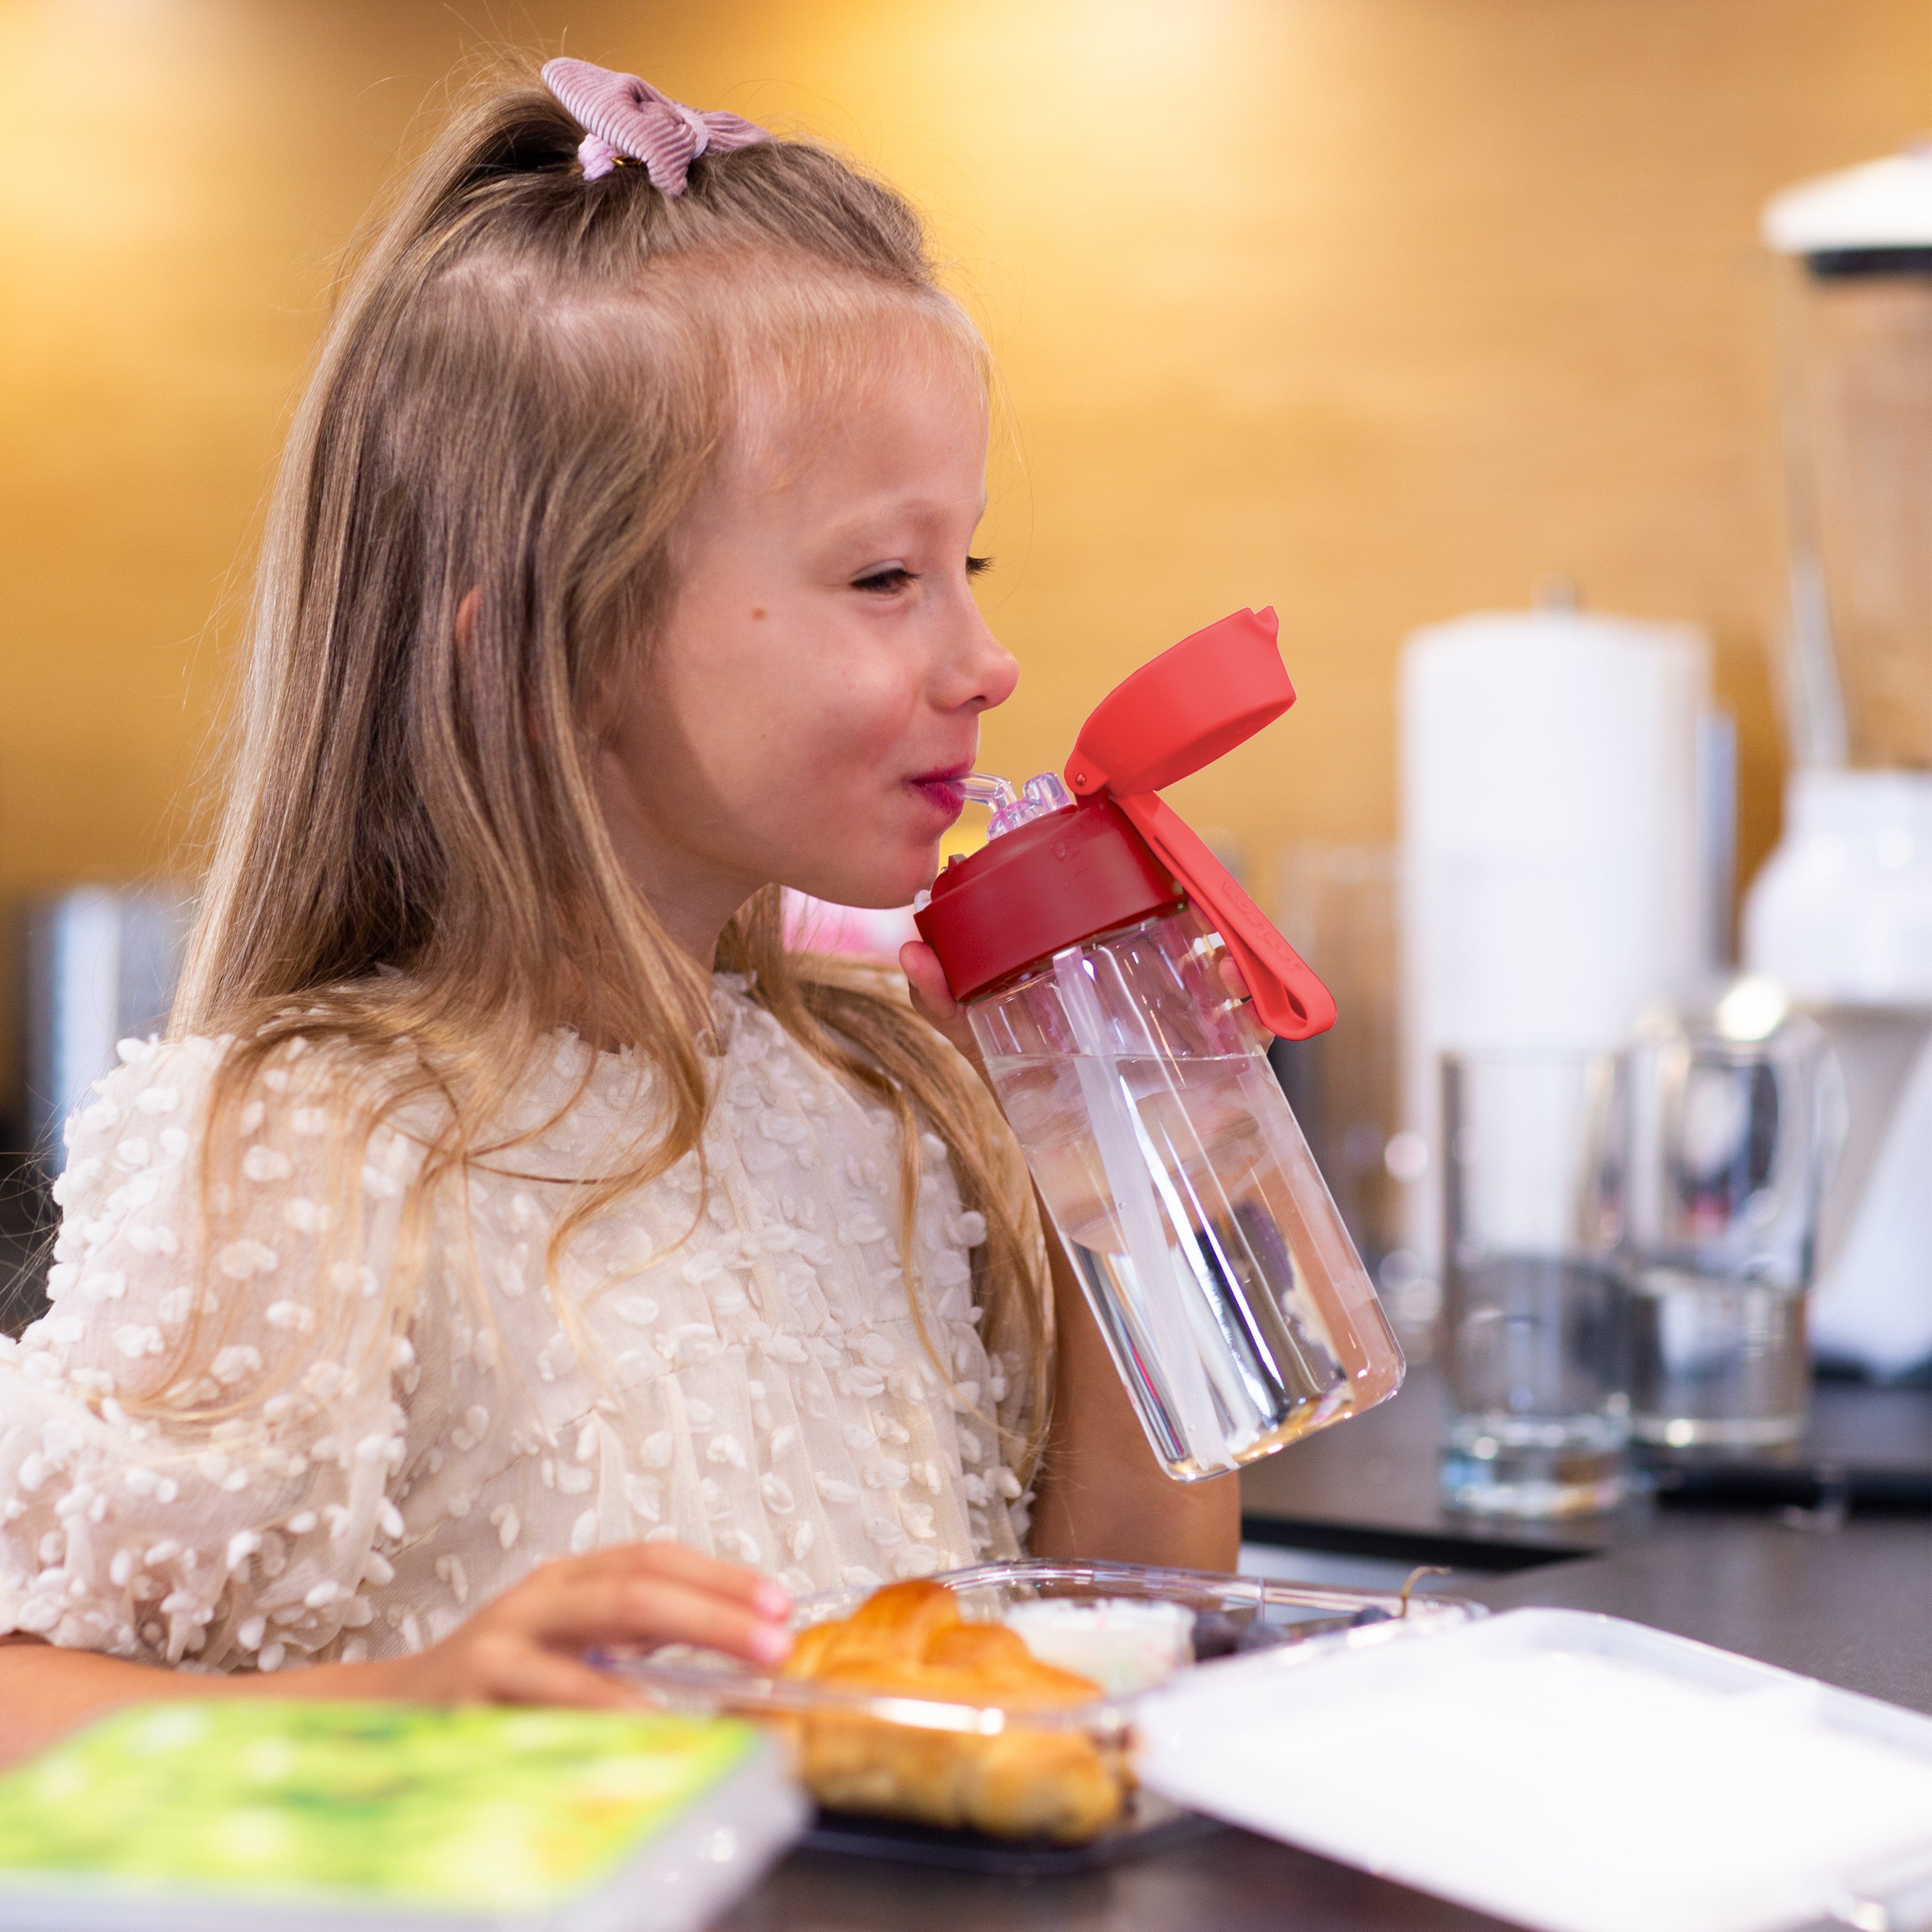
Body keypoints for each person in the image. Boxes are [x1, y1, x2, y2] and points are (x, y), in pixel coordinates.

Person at [0, 55, 1237, 1767]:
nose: (985, 661)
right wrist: (399, 1718)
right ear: (552, 654)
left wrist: (1114, 1170)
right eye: (886, 577)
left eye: (973, 570)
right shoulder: (309, 1149)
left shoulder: (885, 1116)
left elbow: (1125, 1638)